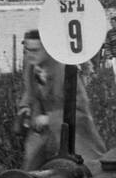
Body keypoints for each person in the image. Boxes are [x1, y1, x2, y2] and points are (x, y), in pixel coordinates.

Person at [19, 29, 106, 170]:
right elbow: (30, 91)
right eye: (27, 50)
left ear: (48, 50)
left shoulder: (65, 71)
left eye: (35, 50)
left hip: (74, 135)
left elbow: (81, 112)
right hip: (42, 133)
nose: (30, 55)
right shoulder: (31, 64)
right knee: (31, 173)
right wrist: (25, 107)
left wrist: (49, 119)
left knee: (88, 173)